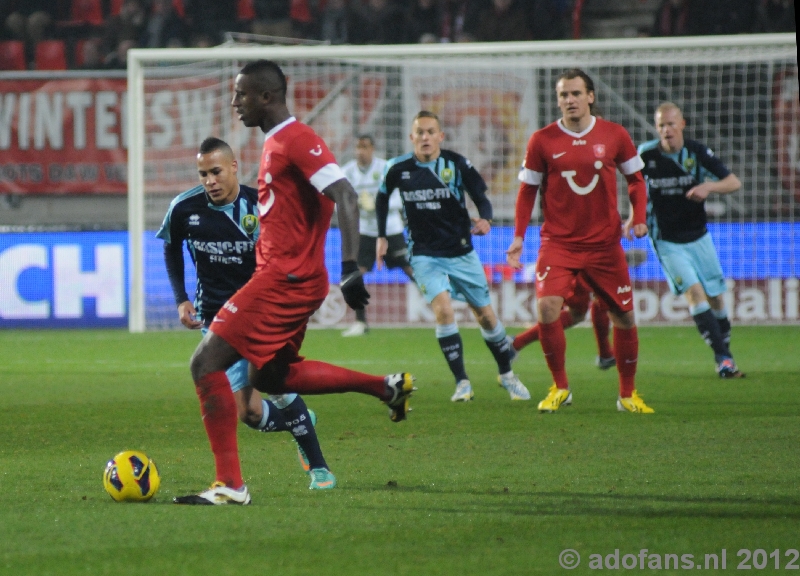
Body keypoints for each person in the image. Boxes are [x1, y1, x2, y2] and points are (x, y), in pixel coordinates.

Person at [174, 59, 415, 505]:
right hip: (293, 278)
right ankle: (384, 387)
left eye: (241, 93)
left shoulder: (295, 139)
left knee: (204, 364)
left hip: (283, 280)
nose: (234, 102)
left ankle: (231, 485)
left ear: (266, 96)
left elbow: (343, 193)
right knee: (272, 375)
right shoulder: (276, 143)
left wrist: (350, 267)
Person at [157, 137, 336, 491]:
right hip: (215, 318)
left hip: (261, 314)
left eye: (216, 172)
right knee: (251, 414)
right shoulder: (183, 209)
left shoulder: (262, 206)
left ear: (235, 167)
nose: (210, 180)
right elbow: (170, 248)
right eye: (203, 173)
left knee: (279, 385)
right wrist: (181, 299)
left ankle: (319, 469)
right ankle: (300, 420)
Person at [506, 68, 654, 414]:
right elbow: (527, 191)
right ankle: (560, 387)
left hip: (605, 245)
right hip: (559, 243)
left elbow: (636, 180)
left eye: (575, 93)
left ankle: (628, 395)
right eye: (563, 95)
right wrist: (517, 237)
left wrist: (639, 216)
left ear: (590, 97)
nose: (569, 100)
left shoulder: (614, 135)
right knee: (546, 308)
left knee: (625, 317)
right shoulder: (541, 140)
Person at [376, 110, 529, 403]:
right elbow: (382, 198)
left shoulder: (456, 164)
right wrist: (382, 236)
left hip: (460, 250)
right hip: (423, 254)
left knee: (485, 315)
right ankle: (462, 383)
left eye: (430, 132)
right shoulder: (398, 168)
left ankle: (507, 374)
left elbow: (481, 197)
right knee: (444, 311)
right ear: (412, 138)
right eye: (419, 132)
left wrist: (485, 218)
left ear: (440, 137)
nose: (425, 137)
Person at [638, 102, 745, 378]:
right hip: (666, 240)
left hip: (699, 236)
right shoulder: (646, 155)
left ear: (682, 124)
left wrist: (709, 186)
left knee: (716, 298)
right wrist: (633, 218)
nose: (666, 130)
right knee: (694, 293)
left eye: (671, 124)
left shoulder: (696, 153)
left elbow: (733, 182)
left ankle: (725, 351)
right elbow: (635, 188)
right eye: (661, 125)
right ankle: (723, 358)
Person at [340, 134, 415, 337]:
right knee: (358, 272)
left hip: (391, 228)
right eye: (357, 147)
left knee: (410, 269)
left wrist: (377, 206)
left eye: (364, 147)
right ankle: (360, 322)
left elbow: (400, 198)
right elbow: (340, 198)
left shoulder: (385, 168)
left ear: (372, 149)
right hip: (365, 231)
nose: (360, 152)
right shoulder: (347, 172)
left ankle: (440, 308)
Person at [512, 275, 615, 370]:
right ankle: (605, 355)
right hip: (580, 259)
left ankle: (605, 354)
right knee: (599, 297)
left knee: (580, 310)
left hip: (571, 261)